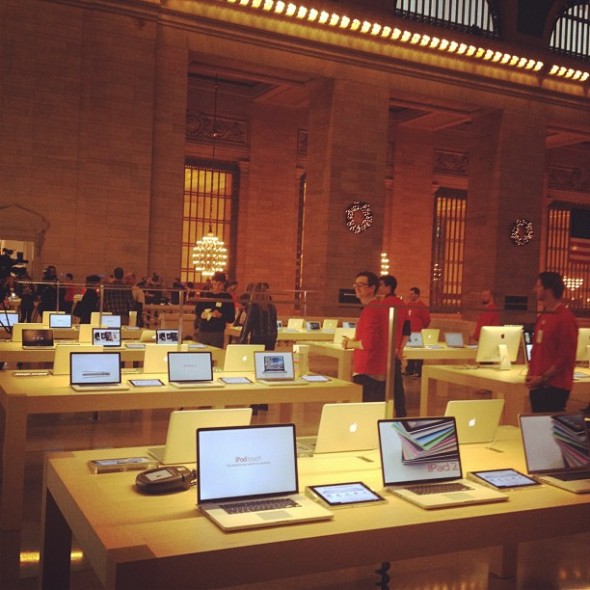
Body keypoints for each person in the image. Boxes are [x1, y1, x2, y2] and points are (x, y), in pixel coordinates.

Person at [525, 272, 578, 413]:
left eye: (538, 286)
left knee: (551, 429)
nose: (535, 290)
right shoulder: (543, 317)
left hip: (554, 386)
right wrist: (531, 372)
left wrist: (543, 377)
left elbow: (566, 357)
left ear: (548, 290)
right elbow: (537, 349)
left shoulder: (565, 319)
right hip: (538, 385)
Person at [379, 275, 410, 417]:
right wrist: (400, 348)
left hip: (382, 351)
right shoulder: (401, 303)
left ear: (388, 287)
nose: (378, 287)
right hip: (395, 350)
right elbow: (407, 329)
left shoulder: (382, 304)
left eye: (381, 285)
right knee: (397, 385)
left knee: (380, 385)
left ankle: (380, 414)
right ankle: (401, 415)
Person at [194, 271, 235, 348]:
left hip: (217, 332)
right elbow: (197, 310)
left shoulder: (227, 297)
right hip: (203, 330)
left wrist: (221, 315)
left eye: (219, 284)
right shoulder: (205, 294)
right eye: (214, 283)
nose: (216, 287)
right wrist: (201, 315)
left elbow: (231, 318)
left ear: (224, 284)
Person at [238, 282, 278, 350]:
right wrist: (274, 337)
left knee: (256, 358)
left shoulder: (253, 306)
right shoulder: (272, 306)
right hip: (270, 339)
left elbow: (247, 325)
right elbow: (274, 324)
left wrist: (242, 340)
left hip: (257, 338)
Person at [406, 286, 431, 377]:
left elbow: (427, 319)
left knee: (418, 352)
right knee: (410, 351)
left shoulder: (421, 306)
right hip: (409, 331)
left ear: (417, 295)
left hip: (417, 331)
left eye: (412, 294)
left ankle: (418, 371)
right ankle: (409, 369)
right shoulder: (408, 305)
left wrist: (422, 328)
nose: (410, 295)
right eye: (410, 294)